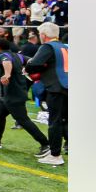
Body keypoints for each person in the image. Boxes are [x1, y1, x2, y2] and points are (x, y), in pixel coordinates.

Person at [0, 38, 49, 155]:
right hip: (9, 94)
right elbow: (31, 61)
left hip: (13, 94)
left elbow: (7, 62)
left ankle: (45, 144)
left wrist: (7, 74)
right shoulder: (18, 56)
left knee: (23, 120)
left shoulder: (2, 56)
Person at [26, 22, 68, 166]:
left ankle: (55, 155)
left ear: (43, 35)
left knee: (55, 122)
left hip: (56, 87)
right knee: (66, 121)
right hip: (68, 86)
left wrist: (32, 66)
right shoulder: (65, 46)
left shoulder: (48, 47)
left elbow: (33, 65)